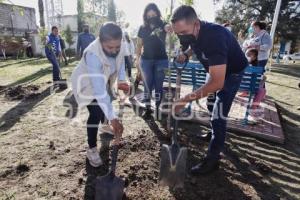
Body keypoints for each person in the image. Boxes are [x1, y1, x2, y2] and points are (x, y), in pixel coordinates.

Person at [171, 5, 248, 175]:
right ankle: (214, 132)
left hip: (232, 73)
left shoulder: (215, 36)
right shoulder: (194, 32)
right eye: (178, 34)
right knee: (211, 104)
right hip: (215, 69)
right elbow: (194, 43)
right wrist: (187, 54)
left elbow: (217, 83)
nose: (181, 37)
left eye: (184, 32)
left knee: (218, 115)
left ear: (196, 24)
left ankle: (212, 160)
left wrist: (185, 100)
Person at [71, 22, 129, 167]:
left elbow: (121, 61)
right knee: (96, 111)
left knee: (107, 99)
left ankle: (105, 126)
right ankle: (91, 148)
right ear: (100, 41)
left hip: (104, 79)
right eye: (110, 47)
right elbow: (98, 91)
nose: (114, 50)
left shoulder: (120, 45)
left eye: (117, 47)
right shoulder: (93, 54)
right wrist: (114, 118)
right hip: (86, 83)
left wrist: (122, 79)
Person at [136, 3, 172, 118]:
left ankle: (157, 107)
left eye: (154, 13)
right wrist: (137, 61)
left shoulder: (162, 24)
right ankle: (147, 108)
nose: (152, 16)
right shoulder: (142, 28)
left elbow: (168, 26)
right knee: (147, 85)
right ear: (146, 15)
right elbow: (139, 45)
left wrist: (168, 27)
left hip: (161, 60)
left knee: (158, 85)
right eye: (149, 14)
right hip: (146, 60)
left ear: (157, 13)